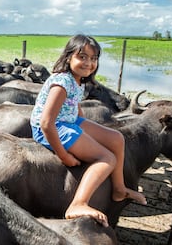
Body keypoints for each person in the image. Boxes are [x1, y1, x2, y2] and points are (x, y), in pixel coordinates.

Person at [30, 34, 147, 227]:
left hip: (68, 120)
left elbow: (73, 106)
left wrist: (83, 124)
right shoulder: (62, 83)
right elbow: (46, 122)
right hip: (53, 127)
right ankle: (78, 203)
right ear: (68, 57)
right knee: (107, 158)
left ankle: (119, 189)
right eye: (82, 57)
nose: (88, 63)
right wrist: (64, 155)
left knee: (117, 138)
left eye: (93, 59)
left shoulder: (77, 80)